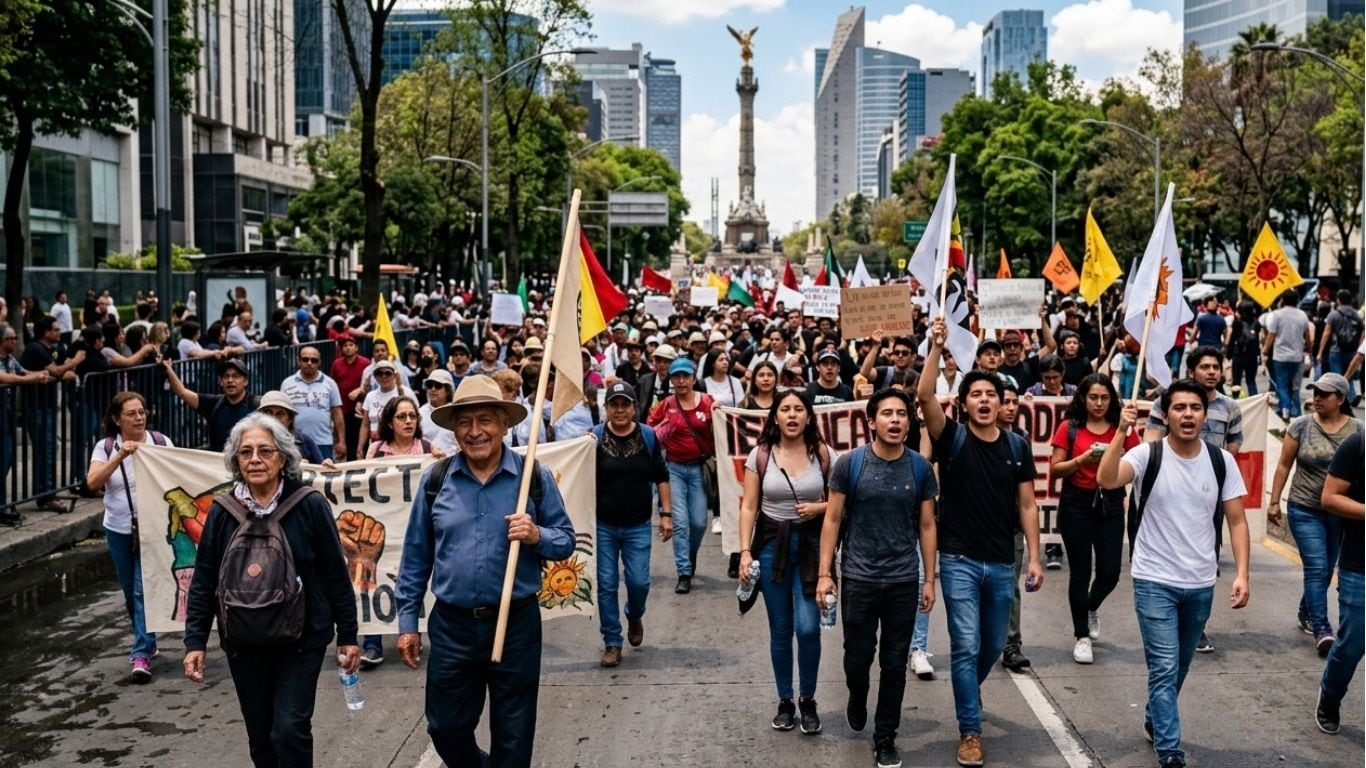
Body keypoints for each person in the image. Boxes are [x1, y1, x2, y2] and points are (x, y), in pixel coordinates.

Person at [395, 375, 575, 768]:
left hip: (516, 626)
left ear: (504, 424)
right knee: (445, 727)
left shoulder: (533, 477)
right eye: (465, 422)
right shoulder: (436, 481)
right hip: (452, 628)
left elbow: (565, 540)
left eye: (485, 420)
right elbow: (415, 557)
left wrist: (536, 534)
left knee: (514, 736)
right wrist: (407, 622)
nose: (475, 431)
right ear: (454, 429)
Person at [182, 413, 359, 768]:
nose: (255, 459)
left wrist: (348, 635)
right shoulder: (222, 511)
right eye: (245, 452)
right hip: (243, 639)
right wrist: (195, 642)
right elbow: (204, 579)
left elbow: (334, 573)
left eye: (265, 451)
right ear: (236, 460)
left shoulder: (309, 505)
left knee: (290, 730)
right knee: (261, 737)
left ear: (283, 458)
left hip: (302, 639)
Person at [1098, 382, 1250, 768]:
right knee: (1164, 666)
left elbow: (1236, 520)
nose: (1187, 414)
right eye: (1179, 407)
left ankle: (1155, 715)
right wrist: (1120, 432)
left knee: (1179, 666)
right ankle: (1170, 750)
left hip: (1200, 583)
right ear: (1166, 416)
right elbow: (1107, 479)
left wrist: (1242, 574)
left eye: (1195, 407)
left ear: (1204, 415)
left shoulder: (1221, 461)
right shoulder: (1147, 454)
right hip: (1154, 580)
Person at [918, 316, 1043, 768]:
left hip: (1002, 562)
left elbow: (1027, 504)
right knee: (966, 646)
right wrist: (936, 347)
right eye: (977, 395)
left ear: (1002, 402)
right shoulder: (951, 438)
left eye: (992, 395)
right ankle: (970, 730)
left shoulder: (1016, 447)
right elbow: (924, 396)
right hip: (958, 561)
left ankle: (968, 689)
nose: (986, 400)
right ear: (964, 404)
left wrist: (1034, 557)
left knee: (991, 646)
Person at [816, 388, 937, 768]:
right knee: (858, 658)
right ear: (871, 421)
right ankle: (857, 695)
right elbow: (832, 518)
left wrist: (929, 580)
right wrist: (825, 574)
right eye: (887, 413)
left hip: (903, 579)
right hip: (859, 579)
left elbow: (927, 525)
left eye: (901, 414)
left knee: (894, 663)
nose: (895, 420)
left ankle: (885, 737)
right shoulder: (850, 464)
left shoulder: (920, 468)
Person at [738, 390, 832, 734]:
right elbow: (749, 506)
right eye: (785, 409)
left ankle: (808, 699)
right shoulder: (760, 455)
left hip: (812, 548)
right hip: (770, 548)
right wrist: (744, 552)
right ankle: (785, 701)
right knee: (780, 629)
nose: (792, 415)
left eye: (799, 409)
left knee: (807, 627)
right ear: (775, 417)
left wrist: (818, 508)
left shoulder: (823, 454)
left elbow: (841, 502)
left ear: (808, 416)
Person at [1144, 346, 1243, 654]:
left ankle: (1196, 625)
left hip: (1208, 489)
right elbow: (1151, 440)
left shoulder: (1230, 407)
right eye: (1205, 367)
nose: (1211, 372)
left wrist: (1214, 470)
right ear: (1191, 371)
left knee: (1205, 551)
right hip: (1172, 487)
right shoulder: (1165, 402)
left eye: (1216, 367)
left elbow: (1234, 445)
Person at [1266, 373, 1358, 656]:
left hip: (1340, 513)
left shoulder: (1358, 430)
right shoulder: (1301, 425)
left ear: (1341, 399)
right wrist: (1274, 502)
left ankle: (1306, 612)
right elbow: (1284, 465)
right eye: (1315, 392)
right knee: (1317, 568)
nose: (1317, 398)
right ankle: (1322, 629)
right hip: (1304, 508)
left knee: (1327, 568)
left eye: (1324, 394)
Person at [1049, 373, 1138, 665]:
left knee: (1110, 571)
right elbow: (1056, 469)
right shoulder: (1069, 428)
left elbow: (1139, 460)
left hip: (1110, 501)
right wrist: (1082, 460)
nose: (1099, 403)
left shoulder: (1122, 428)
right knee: (1080, 571)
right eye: (1093, 397)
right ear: (1083, 399)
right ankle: (1082, 636)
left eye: (1104, 398)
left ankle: (1090, 606)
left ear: (1112, 400)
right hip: (1076, 503)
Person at [85, 392, 173, 682]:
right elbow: (93, 482)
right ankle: (148, 638)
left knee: (141, 590)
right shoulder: (105, 447)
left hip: (153, 531)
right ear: (116, 419)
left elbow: (177, 478)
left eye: (142, 412)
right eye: (131, 414)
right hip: (119, 530)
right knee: (129, 593)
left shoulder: (161, 442)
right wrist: (121, 455)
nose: (139, 418)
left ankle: (140, 653)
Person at [593, 381, 671, 668]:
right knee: (606, 584)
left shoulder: (648, 436)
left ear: (634, 407)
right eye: (614, 404)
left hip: (638, 525)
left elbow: (661, 476)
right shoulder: (593, 438)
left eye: (625, 404)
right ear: (606, 408)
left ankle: (634, 614)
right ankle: (612, 642)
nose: (620, 410)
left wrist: (666, 514)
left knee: (638, 582)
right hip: (603, 525)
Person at [647, 356, 715, 594]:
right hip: (673, 469)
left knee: (699, 522)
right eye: (676, 377)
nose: (681, 381)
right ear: (671, 380)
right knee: (680, 523)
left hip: (699, 469)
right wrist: (663, 428)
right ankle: (684, 571)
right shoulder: (666, 404)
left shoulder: (708, 402)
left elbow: (722, 427)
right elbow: (649, 429)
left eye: (686, 376)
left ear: (694, 379)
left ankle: (690, 554)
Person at [1315, 427, 1364, 735]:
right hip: (1360, 565)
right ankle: (1330, 696)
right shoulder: (1359, 445)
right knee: (1353, 644)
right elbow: (1330, 497)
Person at [21, 315, 81, 510]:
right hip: (36, 407)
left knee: (49, 450)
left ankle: (48, 492)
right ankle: (45, 495)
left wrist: (64, 369)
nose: (59, 332)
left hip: (47, 406)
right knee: (44, 451)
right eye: (55, 329)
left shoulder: (52, 349)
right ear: (46, 332)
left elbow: (60, 371)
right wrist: (74, 362)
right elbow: (56, 371)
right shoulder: (35, 349)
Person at [997, 378, 1034, 674]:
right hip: (978, 529)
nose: (1010, 408)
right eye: (1005, 402)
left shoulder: (1021, 441)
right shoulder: (967, 437)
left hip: (1010, 527)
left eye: (1014, 402)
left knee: (1010, 587)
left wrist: (1035, 554)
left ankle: (1011, 644)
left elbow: (1027, 497)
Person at [162, 358, 260, 452]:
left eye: (235, 376)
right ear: (221, 382)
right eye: (226, 376)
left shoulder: (258, 405)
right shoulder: (214, 404)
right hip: (218, 461)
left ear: (245, 381)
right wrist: (168, 369)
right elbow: (182, 392)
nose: (230, 380)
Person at [280, 346, 346, 460]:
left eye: (314, 360)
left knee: (325, 470)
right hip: (294, 442)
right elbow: (281, 413)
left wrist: (341, 441)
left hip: (323, 442)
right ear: (298, 360)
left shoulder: (330, 384)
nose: (309, 363)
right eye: (305, 359)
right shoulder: (287, 384)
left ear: (319, 362)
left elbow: (337, 413)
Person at [1264, 289, 1313, 420]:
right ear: (1297, 300)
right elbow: (1307, 336)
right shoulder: (1303, 315)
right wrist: (1309, 348)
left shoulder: (1277, 315)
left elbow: (1271, 335)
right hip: (1297, 356)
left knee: (1282, 385)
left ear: (1282, 300)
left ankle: (1285, 409)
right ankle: (1296, 413)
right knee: (1294, 386)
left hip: (1280, 356)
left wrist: (1265, 350)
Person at [1318, 290, 1362, 404]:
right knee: (1349, 375)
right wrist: (1359, 347)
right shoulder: (1357, 314)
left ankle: (1338, 399)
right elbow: (1361, 332)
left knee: (1337, 377)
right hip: (1352, 351)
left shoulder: (1334, 314)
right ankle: (1350, 398)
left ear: (1338, 300)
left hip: (1336, 350)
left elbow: (1327, 333)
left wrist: (1320, 352)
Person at [330, 332, 369, 460]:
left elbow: (369, 383)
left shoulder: (365, 363)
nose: (348, 348)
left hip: (360, 409)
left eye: (351, 345)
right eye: (345, 346)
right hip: (343, 410)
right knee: (346, 442)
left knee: (361, 442)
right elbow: (333, 384)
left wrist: (360, 391)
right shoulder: (337, 364)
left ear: (356, 347)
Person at [258, 390, 325, 463]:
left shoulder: (305, 441)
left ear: (289, 419)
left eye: (280, 414)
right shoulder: (252, 440)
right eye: (268, 413)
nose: (273, 418)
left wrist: (326, 465)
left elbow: (320, 467)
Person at [358, 360, 406, 457]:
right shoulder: (370, 396)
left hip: (397, 445)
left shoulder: (404, 393)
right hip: (375, 446)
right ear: (375, 377)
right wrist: (360, 448)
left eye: (388, 373)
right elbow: (365, 424)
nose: (384, 376)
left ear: (394, 376)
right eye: (380, 374)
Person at [366, 395, 432, 459]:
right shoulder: (375, 450)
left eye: (412, 416)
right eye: (401, 417)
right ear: (390, 423)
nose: (408, 421)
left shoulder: (429, 448)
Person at [419, 369, 460, 456]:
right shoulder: (420, 413)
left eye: (438, 386)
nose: (433, 389)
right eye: (430, 385)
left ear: (448, 390)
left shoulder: (457, 413)